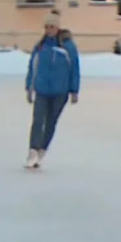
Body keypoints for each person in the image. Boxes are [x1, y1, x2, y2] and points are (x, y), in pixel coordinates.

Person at [24, 10, 80, 169]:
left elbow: (74, 68)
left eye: (52, 27)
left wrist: (74, 90)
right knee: (38, 120)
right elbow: (33, 66)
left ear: (57, 28)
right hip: (42, 90)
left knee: (50, 122)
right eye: (47, 27)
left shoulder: (67, 46)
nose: (49, 30)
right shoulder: (41, 46)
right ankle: (32, 151)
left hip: (60, 92)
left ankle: (42, 151)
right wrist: (29, 87)